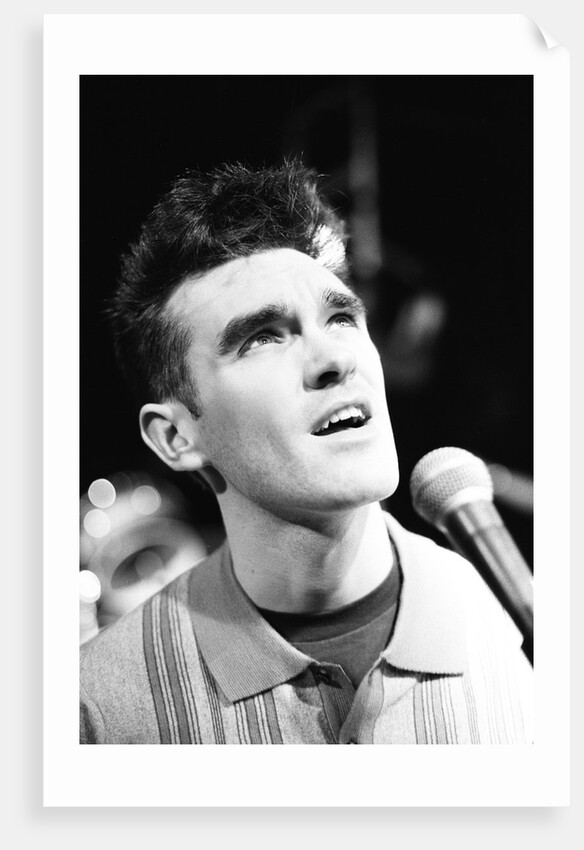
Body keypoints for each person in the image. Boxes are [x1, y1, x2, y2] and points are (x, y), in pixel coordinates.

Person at [80, 160, 533, 744]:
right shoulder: (98, 707)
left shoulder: (514, 626)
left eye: (341, 317)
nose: (334, 359)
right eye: (261, 338)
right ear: (176, 437)